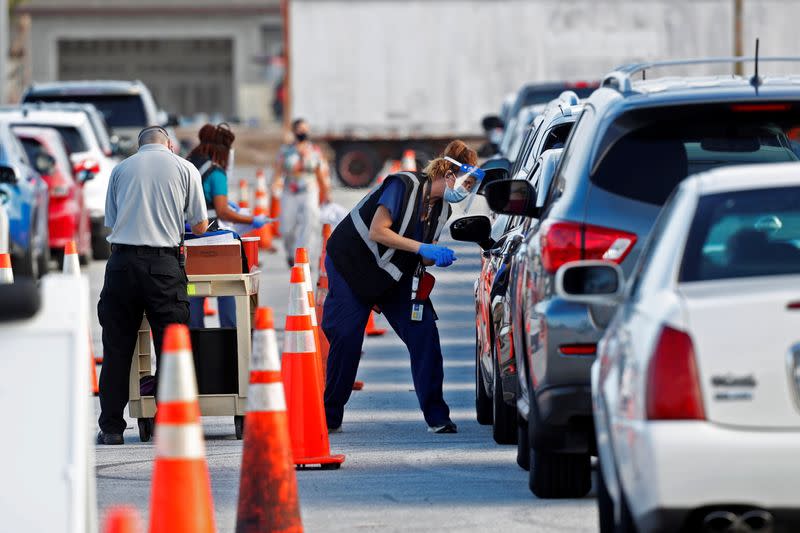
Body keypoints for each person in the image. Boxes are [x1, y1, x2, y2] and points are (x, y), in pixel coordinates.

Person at [322, 140, 478, 433]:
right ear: (449, 175)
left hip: (393, 273)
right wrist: (423, 248)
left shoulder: (441, 209)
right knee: (347, 337)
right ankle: (330, 415)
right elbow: (378, 231)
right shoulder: (402, 184)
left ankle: (437, 416)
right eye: (466, 182)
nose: (466, 190)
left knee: (425, 335)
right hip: (352, 265)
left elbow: (423, 251)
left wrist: (435, 257)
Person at [96, 126, 208, 445]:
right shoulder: (185, 168)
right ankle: (167, 422)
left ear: (140, 145)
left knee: (117, 349)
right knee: (171, 347)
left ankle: (112, 428)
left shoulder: (120, 169)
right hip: (163, 266)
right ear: (169, 144)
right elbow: (200, 225)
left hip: (121, 266)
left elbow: (113, 221)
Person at [185, 123, 268, 328]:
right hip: (210, 239)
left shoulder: (186, 164)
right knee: (227, 287)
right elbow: (222, 211)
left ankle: (195, 345)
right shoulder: (215, 172)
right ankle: (229, 338)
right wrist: (253, 220)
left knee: (193, 290)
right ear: (223, 149)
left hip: (184, 238)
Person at [273, 118, 331, 268]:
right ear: (294, 131)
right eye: (300, 129)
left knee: (310, 222)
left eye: (306, 129)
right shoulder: (285, 151)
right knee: (287, 227)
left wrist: (326, 192)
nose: (303, 132)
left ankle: (304, 257)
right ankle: (290, 253)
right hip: (290, 191)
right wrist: (275, 184)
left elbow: (320, 173)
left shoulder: (314, 151)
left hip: (309, 190)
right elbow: (278, 170)